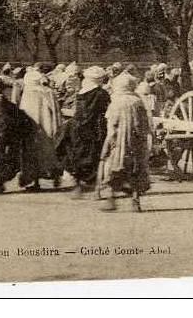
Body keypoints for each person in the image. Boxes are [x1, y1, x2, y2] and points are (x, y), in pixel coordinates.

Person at [56, 66, 110, 199]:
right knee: (96, 156)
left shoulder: (82, 92)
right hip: (95, 128)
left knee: (76, 154)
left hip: (77, 127)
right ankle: (96, 188)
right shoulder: (101, 93)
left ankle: (78, 185)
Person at [100, 73, 151, 212]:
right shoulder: (138, 101)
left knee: (114, 168)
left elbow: (112, 124)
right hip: (136, 141)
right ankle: (135, 201)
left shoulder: (116, 102)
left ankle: (111, 199)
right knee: (136, 169)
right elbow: (144, 124)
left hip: (119, 142)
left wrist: (109, 141)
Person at [18, 67, 64, 191]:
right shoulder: (48, 92)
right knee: (48, 152)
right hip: (47, 127)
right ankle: (54, 175)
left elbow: (24, 113)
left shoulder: (28, 93)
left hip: (33, 130)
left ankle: (36, 181)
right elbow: (56, 111)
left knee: (33, 154)